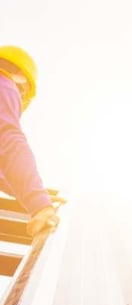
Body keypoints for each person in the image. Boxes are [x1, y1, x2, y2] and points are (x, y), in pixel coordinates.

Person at [0, 45, 59, 237]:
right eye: (23, 93)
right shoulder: (5, 84)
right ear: (21, 78)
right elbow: (8, 141)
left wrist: (36, 193)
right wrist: (39, 204)